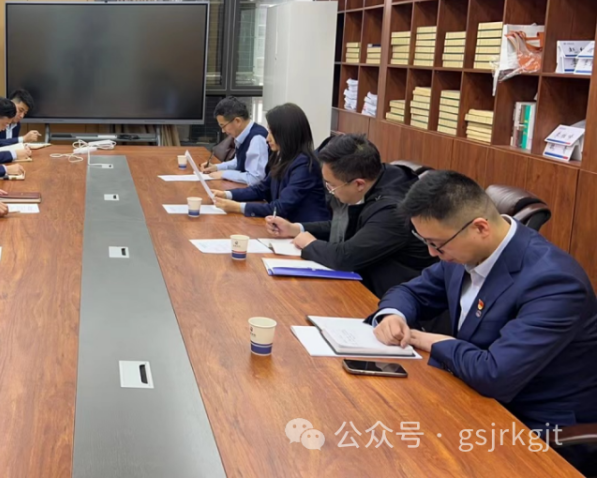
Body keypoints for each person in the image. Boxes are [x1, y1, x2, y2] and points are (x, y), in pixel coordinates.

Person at [370, 170, 597, 430]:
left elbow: (496, 374)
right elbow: (410, 292)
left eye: (437, 244)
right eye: (426, 242)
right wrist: (393, 315)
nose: (432, 253)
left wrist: (425, 339)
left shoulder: (555, 282)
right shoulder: (463, 251)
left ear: (480, 228)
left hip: (533, 423)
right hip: (471, 393)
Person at [265, 134, 436, 297]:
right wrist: (295, 228)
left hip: (390, 297)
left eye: (332, 186)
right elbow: (350, 227)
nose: (330, 193)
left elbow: (345, 258)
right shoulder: (377, 177)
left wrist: (310, 244)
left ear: (358, 184)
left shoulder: (392, 210)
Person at [212, 103, 330, 222]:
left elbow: (281, 207)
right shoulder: (282, 158)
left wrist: (238, 207)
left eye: (272, 132)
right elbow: (261, 190)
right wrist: (227, 194)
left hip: (305, 230)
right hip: (284, 226)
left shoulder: (304, 165)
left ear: (286, 133)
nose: (267, 138)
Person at [201, 97, 268, 186]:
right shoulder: (242, 134)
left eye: (223, 126)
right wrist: (216, 167)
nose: (223, 131)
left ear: (237, 121)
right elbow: (238, 162)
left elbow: (255, 179)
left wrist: (224, 174)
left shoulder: (257, 139)